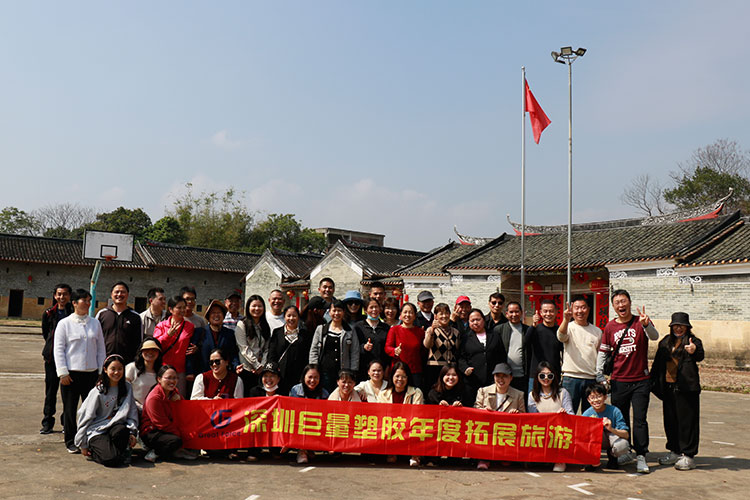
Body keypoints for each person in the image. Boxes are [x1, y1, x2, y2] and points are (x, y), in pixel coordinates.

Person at [596, 289, 659, 473]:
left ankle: (641, 456)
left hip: (641, 380)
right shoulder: (610, 327)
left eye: (623, 301)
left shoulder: (641, 321)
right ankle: (625, 451)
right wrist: (599, 375)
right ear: (613, 306)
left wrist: (647, 325)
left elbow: (654, 336)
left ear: (630, 303)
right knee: (620, 419)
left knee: (640, 420)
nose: (621, 305)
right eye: (617, 302)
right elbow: (603, 352)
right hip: (619, 381)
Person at [54, 288, 106, 453]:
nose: (88, 303)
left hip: (91, 374)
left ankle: (89, 438)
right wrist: (62, 372)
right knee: (70, 410)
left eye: (89, 301)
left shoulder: (95, 323)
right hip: (71, 374)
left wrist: (101, 372)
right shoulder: (65, 324)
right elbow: (59, 349)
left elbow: (101, 349)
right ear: (75, 303)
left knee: (91, 409)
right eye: (85, 300)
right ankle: (71, 441)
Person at [650, 312, 704, 471]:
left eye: (682, 326)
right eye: (675, 326)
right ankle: (674, 451)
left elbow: (700, 355)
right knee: (670, 421)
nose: (678, 329)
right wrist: (652, 381)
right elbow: (657, 363)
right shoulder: (665, 342)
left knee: (687, 423)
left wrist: (693, 350)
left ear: (687, 327)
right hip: (668, 388)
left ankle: (688, 455)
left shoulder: (693, 341)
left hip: (687, 389)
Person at [75, 354, 138, 467]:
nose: (116, 372)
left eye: (120, 369)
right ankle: (96, 451)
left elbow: (132, 411)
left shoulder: (127, 387)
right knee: (111, 459)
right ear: (105, 369)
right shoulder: (98, 391)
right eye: (113, 369)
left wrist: (132, 432)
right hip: (97, 430)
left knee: (122, 430)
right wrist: (82, 443)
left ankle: (121, 451)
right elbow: (85, 416)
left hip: (115, 427)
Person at [474, 362, 525, 470]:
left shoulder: (519, 394)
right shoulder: (483, 391)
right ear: (494, 377)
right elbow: (475, 409)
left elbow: (523, 416)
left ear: (511, 378)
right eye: (498, 376)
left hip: (506, 430)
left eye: (504, 376)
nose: (501, 379)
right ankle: (484, 458)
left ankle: (505, 456)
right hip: (488, 428)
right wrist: (483, 411)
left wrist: (516, 413)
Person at [140, 365, 197, 462]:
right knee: (176, 441)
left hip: (168, 428)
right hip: (152, 431)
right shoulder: (154, 398)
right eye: (168, 378)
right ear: (159, 379)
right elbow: (161, 423)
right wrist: (181, 435)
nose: (172, 381)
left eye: (175, 378)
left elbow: (184, 411)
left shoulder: (174, 392)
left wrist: (179, 399)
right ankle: (155, 452)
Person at [557, 296, 602, 414]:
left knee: (590, 415)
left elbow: (599, 355)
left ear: (589, 309)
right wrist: (566, 319)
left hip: (591, 379)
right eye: (576, 308)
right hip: (571, 378)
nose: (580, 311)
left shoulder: (597, 331)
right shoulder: (569, 327)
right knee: (568, 414)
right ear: (572, 310)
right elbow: (561, 337)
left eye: (583, 307)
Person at [527, 361, 573, 472]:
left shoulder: (563, 392)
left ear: (554, 376)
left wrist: (564, 415)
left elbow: (571, 415)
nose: (546, 378)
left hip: (559, 431)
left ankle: (560, 459)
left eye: (550, 375)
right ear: (537, 377)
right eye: (542, 376)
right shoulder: (532, 395)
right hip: (541, 431)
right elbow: (533, 418)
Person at [40, 283, 73, 435]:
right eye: (59, 294)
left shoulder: (73, 313)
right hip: (51, 360)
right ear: (54, 296)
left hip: (70, 359)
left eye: (65, 294)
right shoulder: (48, 313)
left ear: (70, 296)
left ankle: (66, 423)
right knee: (50, 392)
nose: (62, 297)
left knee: (68, 393)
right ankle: (47, 423)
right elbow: (46, 334)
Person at [377, 361, 423, 467]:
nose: (400, 379)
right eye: (397, 376)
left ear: (408, 378)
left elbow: (417, 413)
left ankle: (415, 456)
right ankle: (391, 452)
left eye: (403, 377)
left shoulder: (416, 392)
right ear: (392, 377)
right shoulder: (383, 393)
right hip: (390, 427)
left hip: (408, 425)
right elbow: (380, 414)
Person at [309, 300, 359, 392]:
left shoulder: (350, 331)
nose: (336, 313)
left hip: (343, 372)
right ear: (329, 312)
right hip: (324, 371)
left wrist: (353, 371)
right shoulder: (321, 329)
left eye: (339, 310)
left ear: (343, 312)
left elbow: (355, 352)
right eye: (334, 310)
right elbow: (314, 350)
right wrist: (314, 368)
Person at [458, 308, 507, 400]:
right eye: (472, 320)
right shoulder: (465, 338)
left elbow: (502, 355)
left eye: (478, 319)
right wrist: (465, 368)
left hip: (492, 379)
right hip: (472, 380)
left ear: (483, 320)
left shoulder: (495, 335)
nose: (475, 323)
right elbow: (460, 358)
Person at [153, 295, 195, 397]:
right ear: (171, 309)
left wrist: (196, 348)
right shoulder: (161, 326)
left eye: (184, 307)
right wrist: (167, 335)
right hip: (163, 369)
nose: (182, 310)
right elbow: (155, 345)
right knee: (162, 397)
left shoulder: (189, 326)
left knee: (179, 398)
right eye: (179, 308)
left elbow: (192, 344)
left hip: (180, 371)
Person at [267, 305, 313, 396]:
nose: (291, 318)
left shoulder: (305, 334)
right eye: (288, 316)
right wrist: (273, 371)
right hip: (280, 375)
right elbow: (272, 353)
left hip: (298, 375)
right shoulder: (277, 332)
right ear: (284, 317)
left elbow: (307, 355)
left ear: (298, 317)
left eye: (294, 316)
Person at [187, 300, 239, 378]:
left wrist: (236, 366)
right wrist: (190, 372)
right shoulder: (199, 332)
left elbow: (233, 354)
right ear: (208, 316)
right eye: (213, 313)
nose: (216, 315)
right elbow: (190, 353)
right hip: (204, 374)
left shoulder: (229, 334)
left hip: (224, 375)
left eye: (219, 313)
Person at [583, 384, 630, 470]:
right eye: (592, 397)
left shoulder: (615, 411)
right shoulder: (586, 414)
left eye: (599, 396)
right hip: (595, 441)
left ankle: (612, 457)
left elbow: (626, 435)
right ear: (588, 400)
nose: (596, 400)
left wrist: (611, 429)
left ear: (605, 397)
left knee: (623, 445)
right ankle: (592, 458)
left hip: (611, 438)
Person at [289, 365, 329, 464]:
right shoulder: (295, 390)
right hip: (300, 423)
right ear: (304, 377)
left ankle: (310, 447)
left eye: (316, 377)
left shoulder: (324, 393)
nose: (312, 380)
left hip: (316, 423)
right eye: (310, 377)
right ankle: (301, 450)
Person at [96, 282, 142, 364]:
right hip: (104, 361)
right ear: (111, 294)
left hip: (127, 362)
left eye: (123, 292)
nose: (119, 294)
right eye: (117, 292)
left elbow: (139, 342)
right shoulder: (102, 314)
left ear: (127, 295)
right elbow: (95, 338)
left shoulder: (135, 317)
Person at [235, 295, 272, 396]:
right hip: (246, 369)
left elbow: (267, 349)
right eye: (254, 306)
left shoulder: (265, 325)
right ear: (248, 307)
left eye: (260, 306)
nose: (257, 309)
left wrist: (262, 366)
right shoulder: (242, 324)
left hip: (261, 371)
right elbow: (243, 348)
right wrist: (256, 365)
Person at [384, 302, 425, 388]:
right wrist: (394, 351)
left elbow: (423, 351)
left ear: (415, 316)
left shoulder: (420, 332)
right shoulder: (394, 330)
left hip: (415, 371)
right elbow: (387, 347)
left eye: (411, 312)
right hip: (399, 370)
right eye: (405, 312)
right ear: (401, 315)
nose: (408, 315)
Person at [527, 299, 563, 392]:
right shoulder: (535, 329)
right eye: (545, 311)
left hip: (553, 375)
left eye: (551, 311)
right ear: (540, 313)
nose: (548, 314)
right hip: (536, 374)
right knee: (534, 400)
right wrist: (533, 325)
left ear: (556, 312)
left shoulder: (559, 331)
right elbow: (525, 342)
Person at [423, 302, 460, 392]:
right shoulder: (431, 330)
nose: (444, 316)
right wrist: (432, 330)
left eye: (446, 313)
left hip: (450, 368)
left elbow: (457, 349)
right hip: (435, 367)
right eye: (441, 314)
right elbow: (427, 345)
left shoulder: (456, 332)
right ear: (435, 316)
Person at [495, 301, 530, 394]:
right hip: (504, 375)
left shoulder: (527, 330)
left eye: (517, 311)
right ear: (506, 314)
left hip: (522, 375)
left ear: (521, 313)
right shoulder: (499, 329)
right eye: (511, 312)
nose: (514, 315)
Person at [353, 298, 391, 381]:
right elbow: (353, 348)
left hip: (381, 369)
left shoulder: (386, 327)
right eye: (371, 307)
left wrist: (387, 368)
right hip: (363, 368)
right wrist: (363, 347)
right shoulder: (358, 327)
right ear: (365, 310)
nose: (374, 310)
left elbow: (388, 349)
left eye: (376, 307)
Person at [125, 337, 163, 412]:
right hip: (133, 410)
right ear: (141, 351)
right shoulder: (131, 368)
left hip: (155, 411)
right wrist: (140, 407)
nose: (150, 352)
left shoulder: (162, 371)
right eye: (147, 349)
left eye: (154, 349)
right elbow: (124, 392)